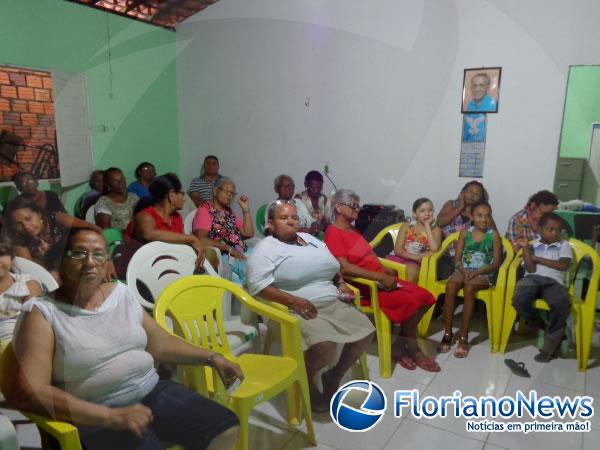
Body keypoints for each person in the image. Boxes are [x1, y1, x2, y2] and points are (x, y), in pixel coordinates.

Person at [4, 228, 241, 450]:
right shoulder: (42, 313)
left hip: (152, 391)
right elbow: (32, 392)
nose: (89, 262)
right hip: (95, 412)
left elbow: (160, 343)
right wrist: (110, 416)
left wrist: (212, 357)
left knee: (225, 427)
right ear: (60, 262)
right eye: (78, 253)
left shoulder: (121, 294)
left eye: (98, 255)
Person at [247, 201, 374, 412]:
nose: (291, 221)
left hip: (331, 301)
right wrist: (294, 301)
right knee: (325, 346)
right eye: (283, 217)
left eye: (294, 217)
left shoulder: (310, 239)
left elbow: (331, 266)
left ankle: (333, 376)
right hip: (296, 308)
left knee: (365, 331)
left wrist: (340, 283)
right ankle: (305, 379)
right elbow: (258, 287)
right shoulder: (266, 248)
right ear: (270, 223)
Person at [324, 190, 440, 372]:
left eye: (357, 205)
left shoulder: (352, 230)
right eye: (353, 205)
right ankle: (413, 348)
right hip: (366, 286)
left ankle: (401, 344)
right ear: (338, 207)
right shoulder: (333, 232)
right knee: (411, 301)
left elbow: (368, 256)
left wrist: (387, 270)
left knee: (426, 296)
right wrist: (380, 276)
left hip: (380, 279)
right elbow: (344, 268)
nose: (357, 209)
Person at [438, 201, 502, 358]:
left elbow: (496, 262)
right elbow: (457, 259)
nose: (484, 219)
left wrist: (477, 272)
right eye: (479, 215)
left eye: (488, 216)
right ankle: (448, 332)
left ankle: (464, 336)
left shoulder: (493, 235)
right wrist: (464, 270)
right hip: (463, 269)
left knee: (468, 288)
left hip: (483, 273)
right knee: (451, 285)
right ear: (472, 217)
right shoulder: (465, 233)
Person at [512, 212, 572, 363]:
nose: (555, 233)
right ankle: (545, 327)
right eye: (550, 229)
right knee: (519, 299)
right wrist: (526, 249)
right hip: (532, 279)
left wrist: (538, 258)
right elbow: (531, 269)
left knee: (561, 302)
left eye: (558, 230)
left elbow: (563, 265)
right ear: (540, 229)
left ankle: (548, 350)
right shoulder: (533, 245)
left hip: (554, 281)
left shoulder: (563, 245)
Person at [124, 173, 214, 272]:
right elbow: (148, 234)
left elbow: (180, 244)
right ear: (171, 195)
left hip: (165, 267)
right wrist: (191, 239)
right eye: (182, 194)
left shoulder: (176, 217)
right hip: (139, 271)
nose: (184, 199)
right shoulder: (145, 215)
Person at [192, 178, 253, 284]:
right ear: (215, 191)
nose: (229, 195)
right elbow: (200, 239)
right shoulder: (205, 210)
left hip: (241, 251)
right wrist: (228, 248)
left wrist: (245, 210)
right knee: (254, 272)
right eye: (226, 191)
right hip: (225, 256)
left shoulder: (229, 212)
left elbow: (248, 233)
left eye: (232, 193)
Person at [14, 171, 100, 235]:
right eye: (22, 183)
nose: (28, 184)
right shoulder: (19, 203)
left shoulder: (50, 195)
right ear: (19, 188)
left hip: (57, 231)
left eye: (29, 179)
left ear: (36, 181)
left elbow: (62, 214)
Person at [0, 235, 42, 350]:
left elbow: (34, 326)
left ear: (12, 258)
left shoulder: (27, 285)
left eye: (1, 254)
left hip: (21, 348)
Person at [387, 198, 442, 283]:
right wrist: (416, 257)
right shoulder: (407, 226)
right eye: (422, 211)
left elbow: (434, 249)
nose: (427, 213)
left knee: (411, 272)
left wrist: (427, 226)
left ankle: (405, 294)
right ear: (414, 214)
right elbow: (398, 250)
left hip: (417, 263)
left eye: (430, 210)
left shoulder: (435, 230)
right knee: (384, 268)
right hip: (399, 257)